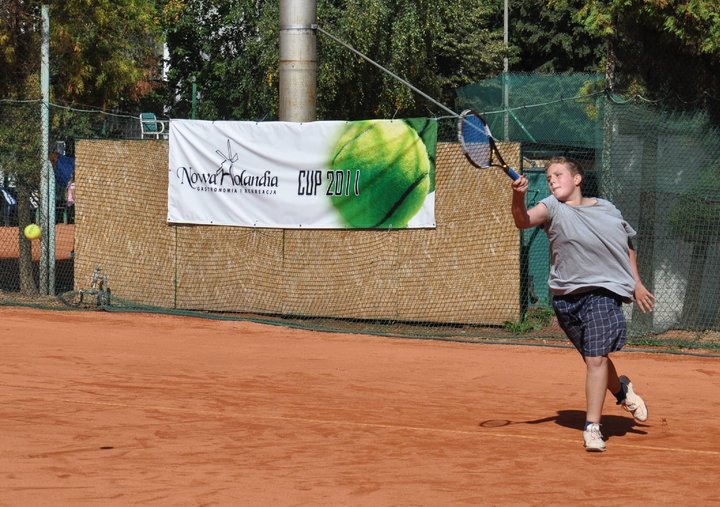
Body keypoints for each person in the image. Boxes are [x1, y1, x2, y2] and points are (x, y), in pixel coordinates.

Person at [511, 156, 655, 452]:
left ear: (577, 179)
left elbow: (626, 244)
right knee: (594, 358)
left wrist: (636, 282)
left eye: (558, 174)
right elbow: (522, 221)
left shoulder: (607, 209)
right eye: (549, 176)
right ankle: (622, 390)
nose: (552, 180)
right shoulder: (551, 207)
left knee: (596, 359)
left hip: (602, 293)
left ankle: (592, 427)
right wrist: (518, 195)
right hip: (565, 300)